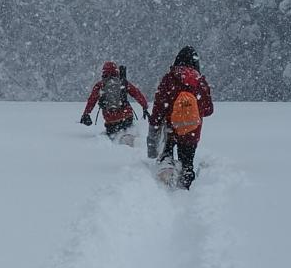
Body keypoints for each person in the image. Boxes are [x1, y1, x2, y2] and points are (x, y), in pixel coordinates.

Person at [148, 46, 214, 189]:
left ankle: (167, 169)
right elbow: (209, 110)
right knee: (187, 161)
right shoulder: (201, 82)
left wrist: (155, 123)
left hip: (172, 129)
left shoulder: (169, 78)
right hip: (192, 130)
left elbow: (159, 106)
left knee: (167, 150)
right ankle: (186, 181)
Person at [79, 61, 150, 144]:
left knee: (112, 134)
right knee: (128, 129)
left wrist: (86, 114)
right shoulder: (123, 82)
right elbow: (137, 94)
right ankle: (129, 139)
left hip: (111, 121)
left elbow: (91, 101)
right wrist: (145, 106)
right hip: (126, 117)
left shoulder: (100, 85)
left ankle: (115, 143)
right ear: (116, 71)